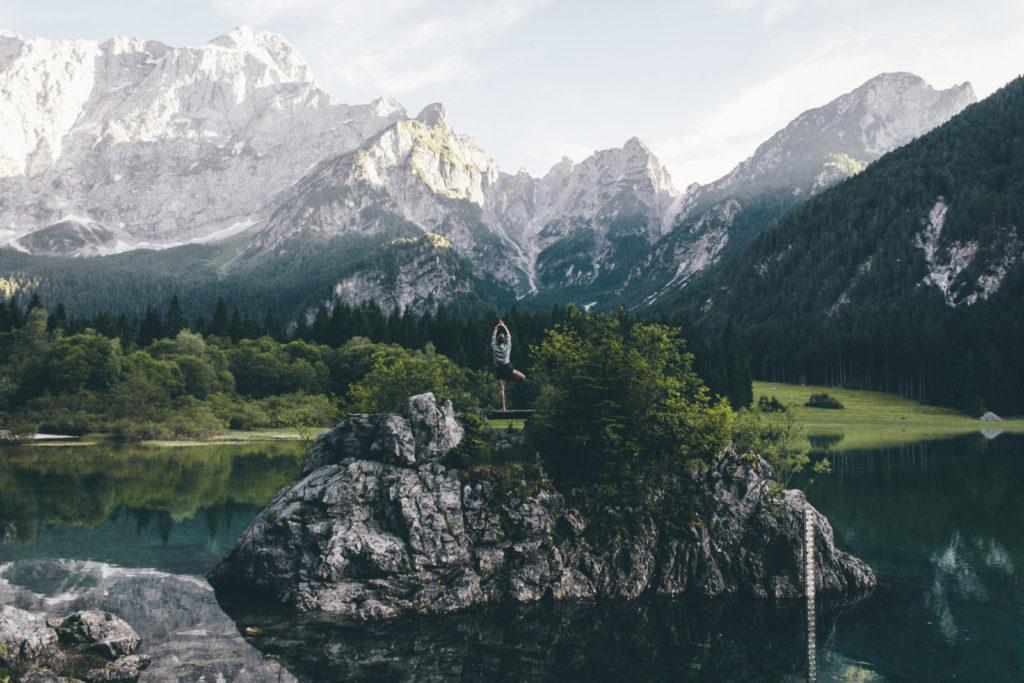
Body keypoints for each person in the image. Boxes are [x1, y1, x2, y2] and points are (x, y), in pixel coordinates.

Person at [491, 319, 525, 410]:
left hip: (499, 369)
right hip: (508, 368)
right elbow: (509, 335)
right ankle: (510, 377)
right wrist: (504, 326)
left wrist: (496, 327)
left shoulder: (494, 346)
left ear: (497, 340)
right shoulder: (507, 346)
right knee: (523, 377)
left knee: (501, 389)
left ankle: (503, 408)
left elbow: (493, 336)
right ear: (504, 340)